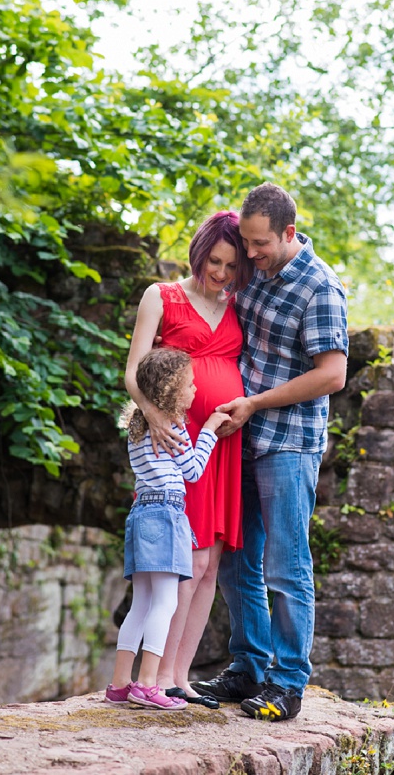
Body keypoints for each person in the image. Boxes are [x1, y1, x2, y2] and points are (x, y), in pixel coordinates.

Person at [191, 183, 349, 722]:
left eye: (259, 245)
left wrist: (254, 402)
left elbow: (332, 374)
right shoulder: (254, 273)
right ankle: (248, 667)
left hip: (289, 443)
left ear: (288, 233)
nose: (249, 256)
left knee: (286, 565)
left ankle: (287, 683)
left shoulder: (320, 287)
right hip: (241, 439)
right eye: (245, 243)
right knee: (237, 560)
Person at [124, 211, 250, 709]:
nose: (221, 273)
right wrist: (154, 414)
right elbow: (133, 371)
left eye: (232, 265)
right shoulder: (162, 296)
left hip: (222, 444)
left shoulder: (240, 302)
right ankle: (155, 678)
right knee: (186, 562)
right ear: (199, 253)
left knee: (211, 561)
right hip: (178, 443)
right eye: (214, 261)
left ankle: (180, 674)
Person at [105, 347, 231, 710]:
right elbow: (192, 471)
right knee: (165, 601)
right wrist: (207, 428)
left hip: (141, 513)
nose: (195, 390)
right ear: (172, 390)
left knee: (141, 604)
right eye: (190, 384)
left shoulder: (136, 423)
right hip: (166, 513)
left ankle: (119, 683)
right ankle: (147, 684)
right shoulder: (174, 426)